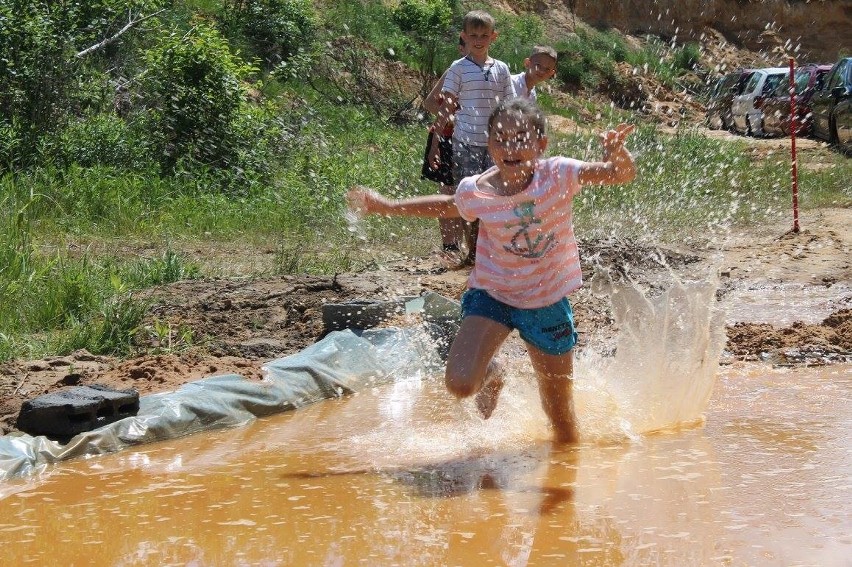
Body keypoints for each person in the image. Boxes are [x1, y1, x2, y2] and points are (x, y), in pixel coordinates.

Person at [347, 98, 636, 443]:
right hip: (493, 295)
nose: (509, 147)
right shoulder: (478, 189)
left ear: (541, 145)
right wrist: (386, 206)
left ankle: (562, 489)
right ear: (489, 144)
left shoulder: (558, 173)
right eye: (500, 139)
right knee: (460, 383)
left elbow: (620, 174)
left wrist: (617, 153)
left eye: (520, 138)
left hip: (546, 301)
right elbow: (447, 206)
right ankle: (492, 373)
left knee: (562, 423)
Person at [428, 10, 515, 265]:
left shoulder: (501, 69)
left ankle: (486, 251)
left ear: (493, 37)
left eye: (484, 35)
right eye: (473, 35)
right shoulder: (458, 68)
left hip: (495, 146)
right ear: (464, 36)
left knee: (494, 196)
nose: (479, 40)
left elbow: (510, 107)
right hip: (464, 143)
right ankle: (471, 252)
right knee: (469, 197)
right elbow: (445, 106)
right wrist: (435, 143)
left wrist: (515, 140)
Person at [420, 35, 467, 259]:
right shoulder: (453, 71)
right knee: (449, 193)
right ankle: (450, 247)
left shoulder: (487, 73)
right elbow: (429, 102)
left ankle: (467, 247)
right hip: (446, 138)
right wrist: (450, 119)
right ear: (460, 48)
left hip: (472, 140)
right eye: (466, 47)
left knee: (469, 192)